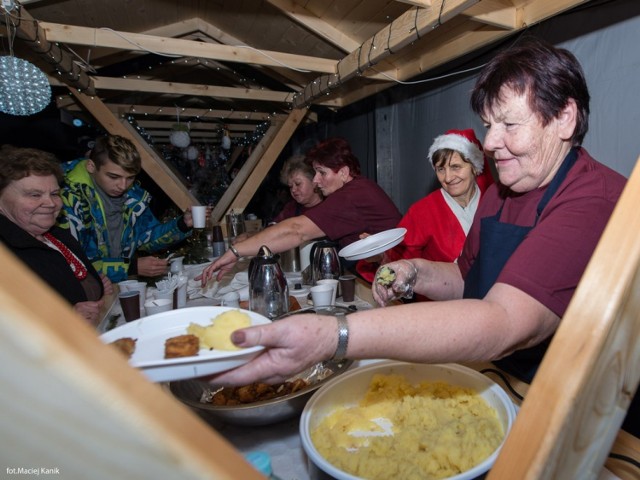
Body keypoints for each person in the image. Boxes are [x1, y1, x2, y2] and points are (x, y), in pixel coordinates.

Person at [206, 38, 639, 436]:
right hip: (505, 382)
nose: (490, 143)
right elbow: (465, 276)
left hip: (581, 415)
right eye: (489, 124)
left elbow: (505, 322)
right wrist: (415, 270)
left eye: (509, 124)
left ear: (564, 117)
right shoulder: (506, 189)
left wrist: (333, 335)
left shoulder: (593, 201)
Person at [200, 137, 402, 283]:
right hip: (382, 273)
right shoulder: (356, 189)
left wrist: (235, 252)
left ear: (343, 173)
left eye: (321, 173)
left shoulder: (350, 195)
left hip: (398, 276)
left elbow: (296, 230)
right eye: (314, 173)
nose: (315, 180)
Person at [356, 129, 494, 299]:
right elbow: (400, 255)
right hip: (443, 307)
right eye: (440, 169)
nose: (448, 177)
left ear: (474, 166)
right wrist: (379, 255)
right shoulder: (423, 211)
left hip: (492, 300)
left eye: (456, 167)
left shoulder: (496, 201)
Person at [58, 134, 202, 282]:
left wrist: (182, 225)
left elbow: (146, 237)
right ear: (91, 166)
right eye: (113, 177)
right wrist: (131, 267)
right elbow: (71, 262)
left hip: (118, 287)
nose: (123, 186)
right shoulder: (68, 200)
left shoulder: (133, 195)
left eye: (130, 177)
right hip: (84, 294)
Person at [0, 146, 112, 325]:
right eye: (35, 195)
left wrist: (96, 284)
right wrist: (63, 320)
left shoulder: (58, 235)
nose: (50, 203)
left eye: (54, 193)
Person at [272, 154, 323, 222]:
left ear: (314, 181)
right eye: (290, 186)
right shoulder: (291, 208)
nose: (293, 190)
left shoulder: (329, 207)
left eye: (298, 184)